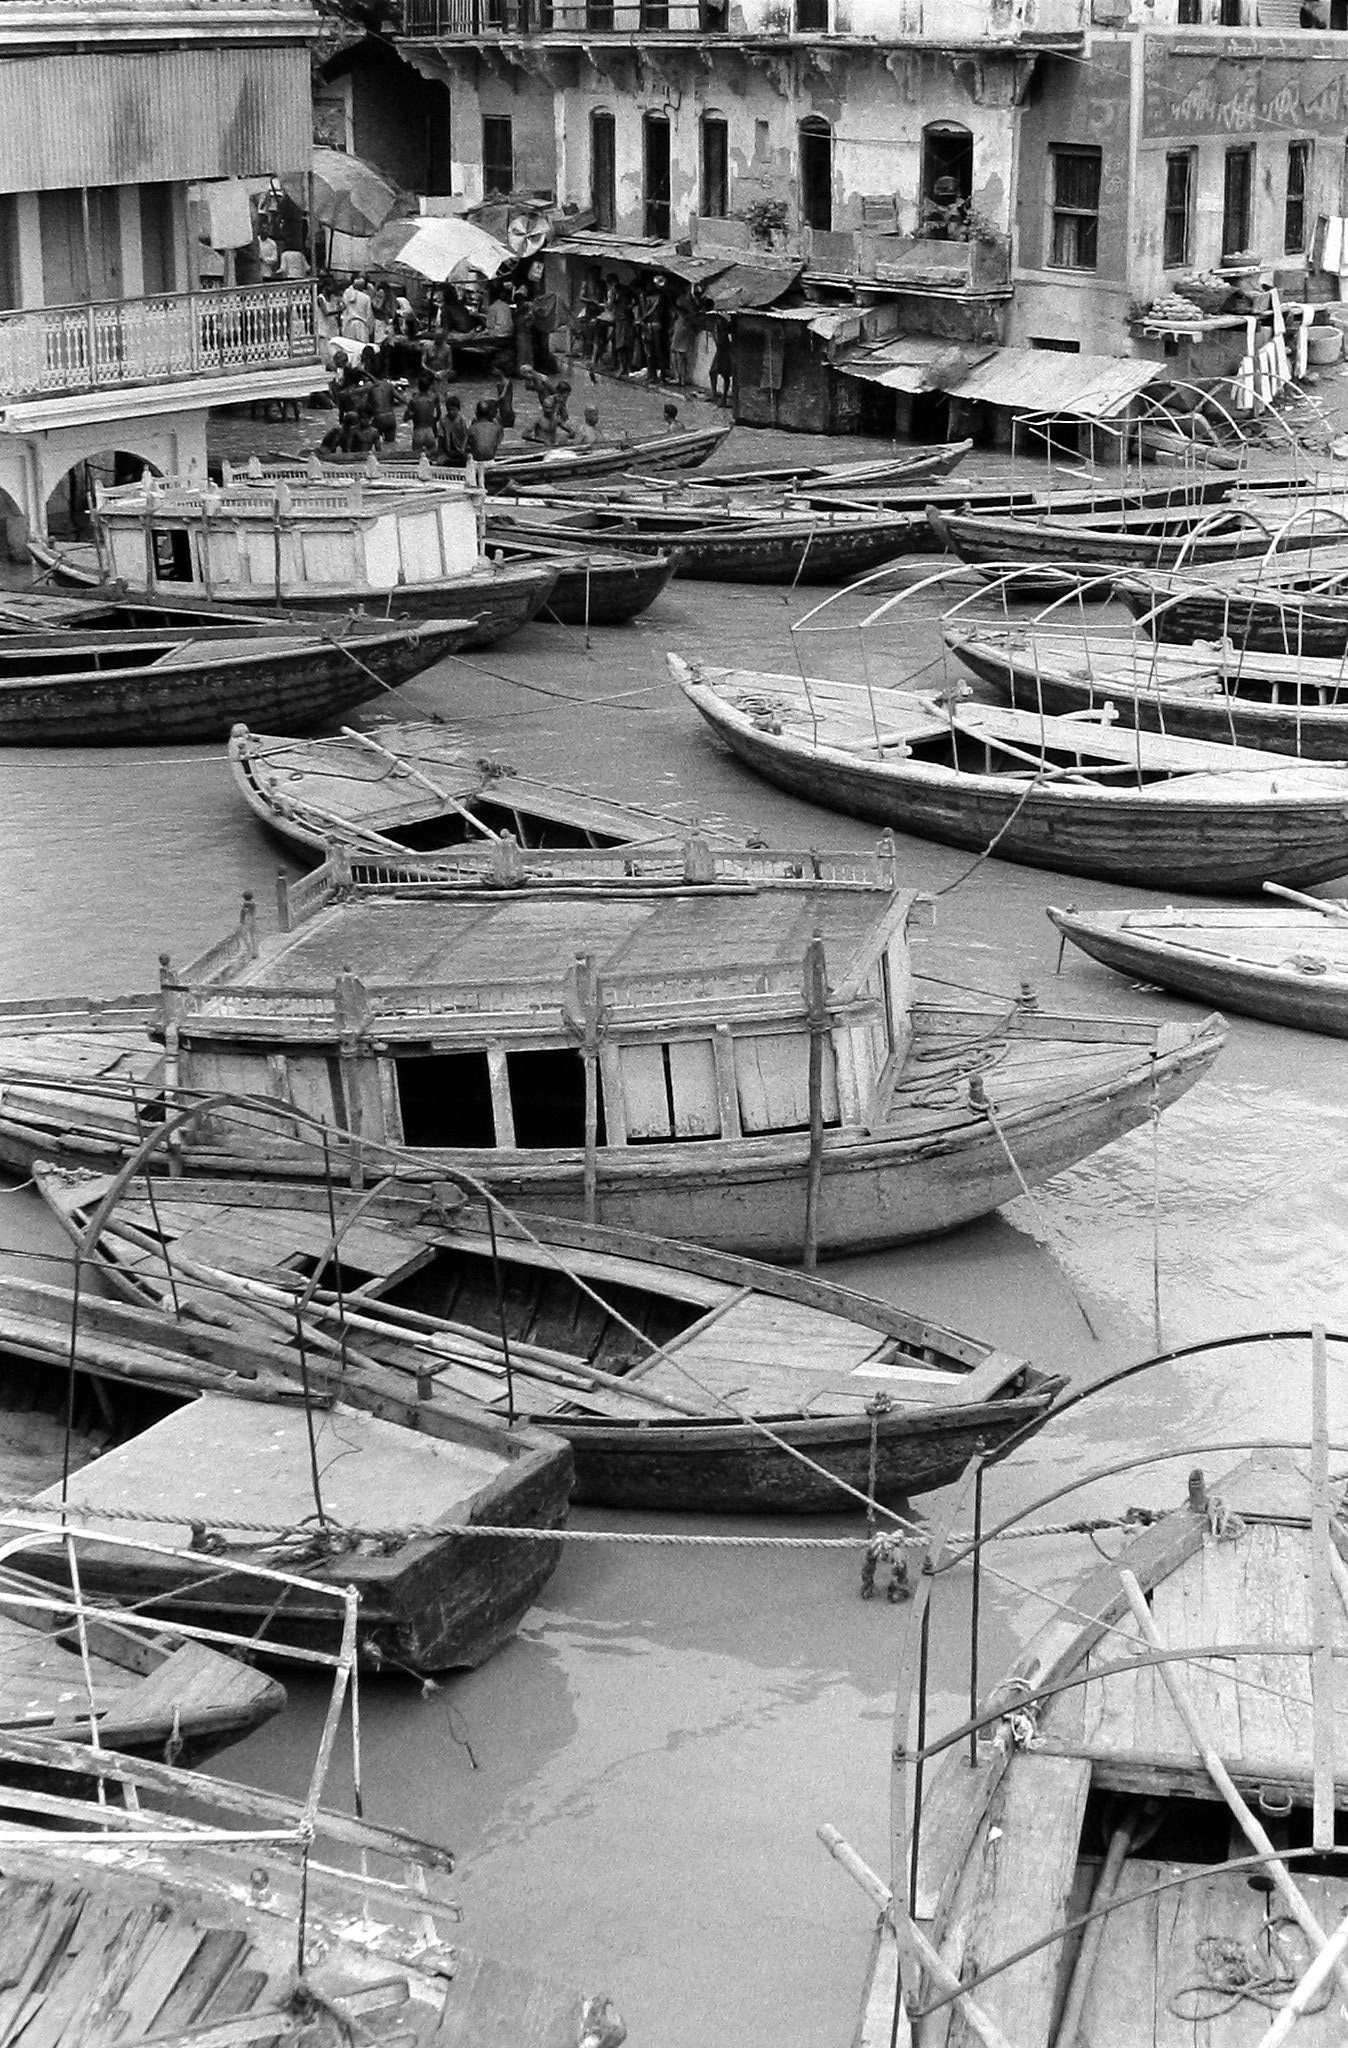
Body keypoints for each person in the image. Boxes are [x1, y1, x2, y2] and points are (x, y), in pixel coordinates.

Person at [921, 175, 968, 240]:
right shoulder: (932, 206)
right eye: (943, 197)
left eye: (948, 197)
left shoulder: (960, 205)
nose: (945, 200)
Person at [404, 374, 441, 456]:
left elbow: (405, 418)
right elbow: (438, 414)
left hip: (418, 431)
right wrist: (433, 422)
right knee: (432, 456)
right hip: (429, 431)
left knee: (416, 458)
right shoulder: (433, 398)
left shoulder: (413, 401)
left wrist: (413, 414)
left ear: (418, 387)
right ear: (429, 387)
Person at [668, 294, 697, 389]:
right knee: (677, 354)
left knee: (679, 354)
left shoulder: (684, 303)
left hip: (683, 328)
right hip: (680, 328)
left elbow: (688, 316)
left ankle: (680, 377)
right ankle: (680, 377)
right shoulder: (684, 301)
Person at [708, 311, 735, 408]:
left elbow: (722, 340)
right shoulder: (716, 325)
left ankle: (723, 397)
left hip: (724, 351)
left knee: (725, 375)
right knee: (713, 372)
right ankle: (714, 394)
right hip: (720, 350)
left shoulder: (723, 326)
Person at [440, 393, 471, 464]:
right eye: (449, 410)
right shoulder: (444, 421)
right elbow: (441, 437)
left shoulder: (462, 421)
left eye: (453, 410)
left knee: (464, 458)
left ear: (458, 409)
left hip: (459, 449)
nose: (451, 412)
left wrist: (462, 449)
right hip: (448, 451)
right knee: (441, 461)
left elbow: (466, 436)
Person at [341, 274, 374, 343]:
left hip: (350, 324)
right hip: (362, 326)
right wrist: (369, 330)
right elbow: (369, 316)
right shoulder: (366, 298)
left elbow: (343, 307)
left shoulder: (348, 293)